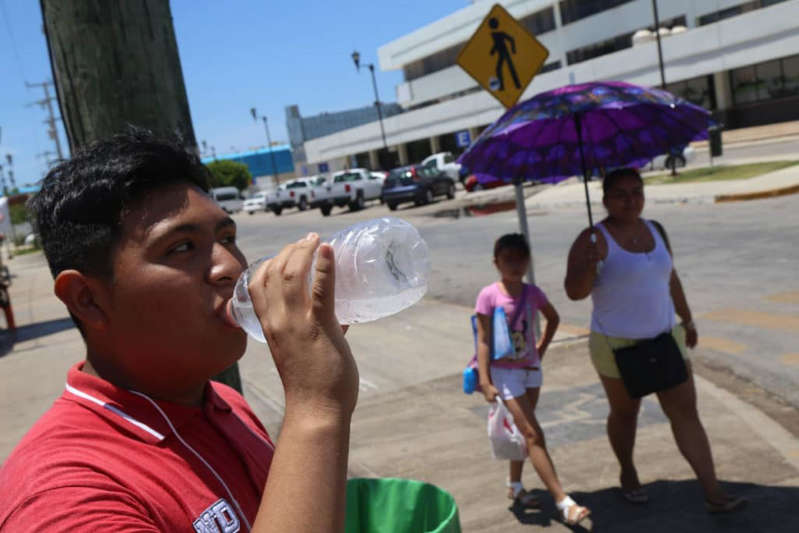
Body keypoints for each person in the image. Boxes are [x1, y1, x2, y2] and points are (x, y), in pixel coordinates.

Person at [0, 132, 359, 531]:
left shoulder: (225, 402)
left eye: (227, 238)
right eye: (181, 247)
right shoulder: (62, 495)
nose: (229, 267)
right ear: (87, 298)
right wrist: (316, 407)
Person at [564, 167, 746, 513]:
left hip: (665, 340)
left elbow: (670, 277)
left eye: (637, 191)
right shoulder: (592, 239)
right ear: (605, 201)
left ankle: (713, 492)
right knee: (625, 414)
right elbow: (574, 292)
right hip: (616, 347)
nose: (631, 200)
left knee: (685, 414)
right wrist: (587, 267)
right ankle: (628, 471)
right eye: (621, 194)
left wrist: (687, 319)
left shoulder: (656, 229)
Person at [476, 233, 590, 526]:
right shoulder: (489, 295)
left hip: (530, 371)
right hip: (504, 374)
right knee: (533, 434)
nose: (515, 265)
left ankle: (514, 485)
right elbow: (484, 339)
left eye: (520, 259)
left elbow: (553, 318)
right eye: (508, 259)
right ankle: (564, 502)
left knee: (522, 432)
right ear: (496, 262)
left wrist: (541, 347)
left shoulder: (532, 293)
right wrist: (486, 379)